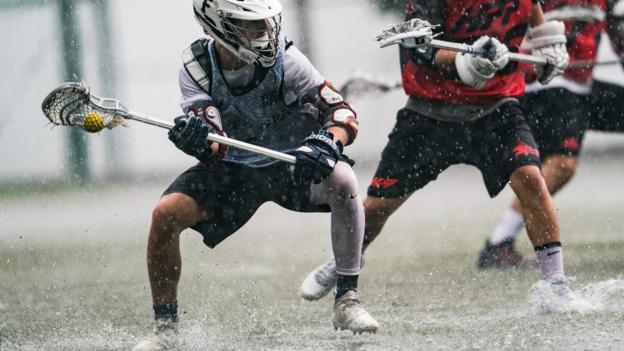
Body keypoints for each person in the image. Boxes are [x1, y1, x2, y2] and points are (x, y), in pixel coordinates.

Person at [133, 1, 379, 349]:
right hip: (234, 170)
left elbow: (341, 112)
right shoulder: (198, 66)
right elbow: (215, 148)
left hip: (289, 162)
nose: (265, 30)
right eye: (252, 23)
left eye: (266, 21)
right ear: (219, 24)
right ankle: (166, 331)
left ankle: (347, 300)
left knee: (343, 181)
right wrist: (194, 141)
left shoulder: (287, 59)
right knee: (165, 214)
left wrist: (327, 143)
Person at [299, 0, 571, 301]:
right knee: (377, 207)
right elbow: (421, 48)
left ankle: (556, 285)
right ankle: (343, 262)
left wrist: (548, 50)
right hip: (430, 113)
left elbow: (536, 21)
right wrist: (465, 58)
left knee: (531, 179)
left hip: (496, 107)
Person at [478, 0, 624, 268]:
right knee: (561, 164)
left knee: (559, 166)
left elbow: (615, 24)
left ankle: (499, 243)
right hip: (549, 83)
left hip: (581, 84)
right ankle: (499, 243)